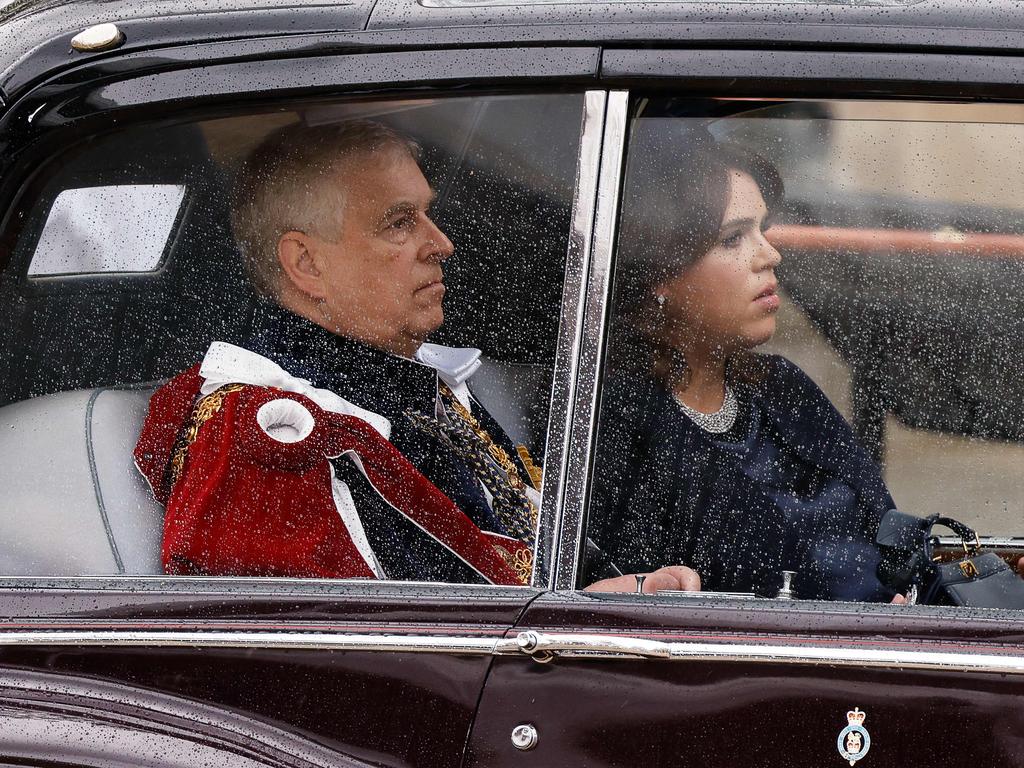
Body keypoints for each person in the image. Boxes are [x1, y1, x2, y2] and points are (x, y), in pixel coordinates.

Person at [134, 118, 699, 592]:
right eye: (399, 223)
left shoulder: (399, 380)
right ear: (306, 265)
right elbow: (324, 669)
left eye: (427, 214)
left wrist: (611, 595)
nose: (441, 244)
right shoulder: (268, 440)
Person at [585, 124, 902, 601]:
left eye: (763, 231)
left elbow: (889, 534)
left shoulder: (783, 389)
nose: (769, 254)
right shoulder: (608, 422)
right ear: (661, 271)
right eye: (733, 238)